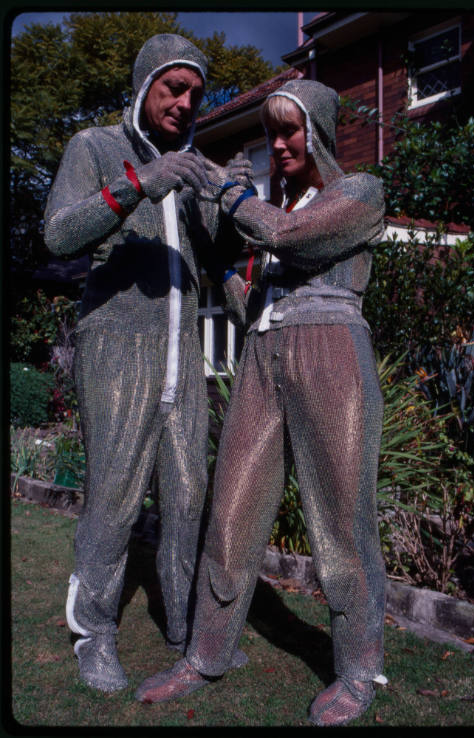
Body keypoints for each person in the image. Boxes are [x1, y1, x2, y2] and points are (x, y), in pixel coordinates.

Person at [135, 78, 387, 727]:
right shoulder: (281, 203)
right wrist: (219, 249)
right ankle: (205, 655)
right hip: (261, 356)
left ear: (320, 131)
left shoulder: (358, 193)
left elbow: (291, 235)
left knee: (340, 524)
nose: (278, 144)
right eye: (271, 132)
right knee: (232, 513)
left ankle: (359, 671)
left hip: (330, 355)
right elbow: (255, 294)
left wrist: (233, 194)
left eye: (289, 129)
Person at [44, 33, 248, 693]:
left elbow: (214, 261)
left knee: (188, 497)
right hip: (116, 341)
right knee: (115, 499)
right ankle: (94, 633)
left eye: (195, 93)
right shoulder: (95, 147)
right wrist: (137, 182)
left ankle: (183, 626)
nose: (186, 103)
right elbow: (58, 235)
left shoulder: (191, 168)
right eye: (173, 88)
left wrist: (228, 206)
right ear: (144, 85)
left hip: (182, 352)